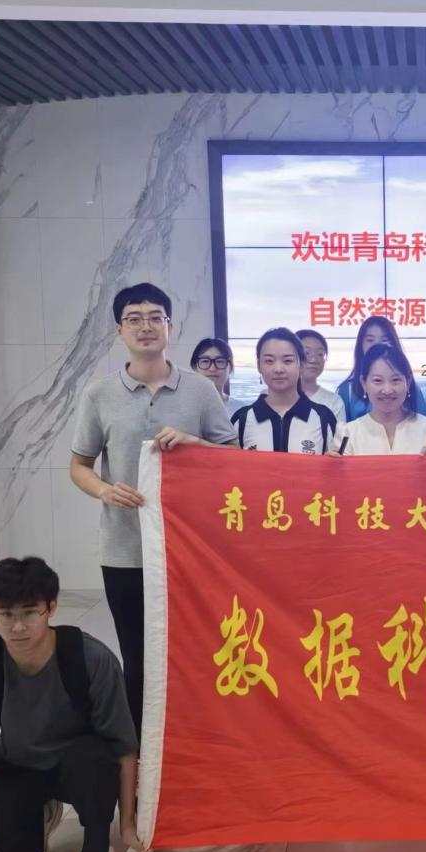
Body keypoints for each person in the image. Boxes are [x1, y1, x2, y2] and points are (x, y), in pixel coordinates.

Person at [70, 283, 237, 737]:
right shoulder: (100, 395)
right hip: (125, 550)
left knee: (196, 652)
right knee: (139, 655)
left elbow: (232, 458)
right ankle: (144, 752)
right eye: (134, 318)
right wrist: (105, 491)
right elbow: (79, 466)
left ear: (170, 326)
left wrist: (195, 443)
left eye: (155, 317)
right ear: (119, 330)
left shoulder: (200, 391)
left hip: (191, 552)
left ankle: (196, 742)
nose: (145, 326)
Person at [0, 557, 140, 852]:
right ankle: (37, 825)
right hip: (21, 764)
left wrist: (126, 826)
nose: (18, 627)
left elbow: (123, 747)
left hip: (81, 765)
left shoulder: (91, 658)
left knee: (97, 766)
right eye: (6, 614)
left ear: (51, 608)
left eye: (30, 613)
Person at [233, 327, 339, 454]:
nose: (278, 369)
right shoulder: (242, 419)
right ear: (259, 366)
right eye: (269, 361)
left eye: (288, 361)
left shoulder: (323, 418)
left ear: (301, 364)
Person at [338, 343, 426, 455]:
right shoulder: (347, 433)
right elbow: (339, 466)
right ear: (364, 384)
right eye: (378, 381)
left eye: (395, 380)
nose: (387, 390)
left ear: (408, 382)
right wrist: (332, 463)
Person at [337, 315, 426, 420]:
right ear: (361, 345)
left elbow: (424, 424)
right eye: (370, 340)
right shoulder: (347, 390)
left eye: (384, 340)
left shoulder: (409, 387)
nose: (377, 345)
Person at [190, 337, 250, 418]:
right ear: (195, 367)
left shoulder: (243, 411)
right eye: (205, 361)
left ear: (230, 368)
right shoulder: (181, 408)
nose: (212, 368)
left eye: (220, 361)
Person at [296, 328, 348, 423]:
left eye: (320, 354)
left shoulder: (333, 401)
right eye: (306, 353)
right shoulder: (276, 397)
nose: (314, 360)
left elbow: (339, 432)